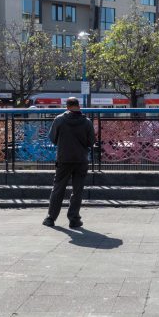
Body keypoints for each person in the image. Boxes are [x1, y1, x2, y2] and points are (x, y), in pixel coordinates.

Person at [43, 97, 95, 228]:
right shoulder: (87, 122)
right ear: (79, 106)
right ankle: (74, 219)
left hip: (64, 159)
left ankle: (50, 218)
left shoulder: (59, 119)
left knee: (58, 188)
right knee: (77, 190)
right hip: (81, 159)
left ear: (67, 106)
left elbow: (53, 138)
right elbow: (91, 142)